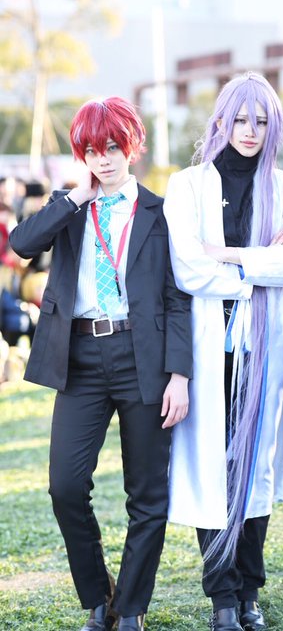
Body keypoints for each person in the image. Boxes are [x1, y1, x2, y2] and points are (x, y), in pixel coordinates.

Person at [9, 97, 193, 631]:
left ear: (131, 147)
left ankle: (130, 609)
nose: (103, 159)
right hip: (82, 356)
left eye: (112, 147)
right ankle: (99, 597)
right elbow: (21, 244)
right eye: (92, 150)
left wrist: (179, 374)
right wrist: (74, 197)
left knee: (147, 495)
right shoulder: (70, 208)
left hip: (144, 357)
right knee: (65, 486)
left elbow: (177, 298)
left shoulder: (160, 212)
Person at [163, 72, 283, 631]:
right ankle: (222, 598)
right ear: (222, 120)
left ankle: (249, 592)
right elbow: (188, 269)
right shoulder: (186, 185)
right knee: (212, 469)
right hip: (209, 347)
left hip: (265, 346)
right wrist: (258, 270)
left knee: (255, 466)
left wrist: (227, 255)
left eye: (261, 121)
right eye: (240, 119)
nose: (250, 131)